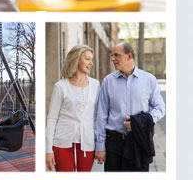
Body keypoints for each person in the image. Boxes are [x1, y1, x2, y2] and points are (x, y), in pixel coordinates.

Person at [94, 41, 165, 171]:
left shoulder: (149, 80)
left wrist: (140, 123)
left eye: (117, 55)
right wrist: (100, 146)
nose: (112, 59)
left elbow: (160, 108)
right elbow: (101, 114)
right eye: (112, 55)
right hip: (113, 143)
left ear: (129, 56)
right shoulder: (108, 81)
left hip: (138, 141)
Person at [46, 44, 100, 172]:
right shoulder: (61, 86)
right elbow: (52, 118)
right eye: (87, 59)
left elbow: (98, 117)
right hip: (62, 141)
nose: (91, 63)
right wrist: (48, 150)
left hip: (87, 141)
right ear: (76, 59)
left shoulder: (96, 85)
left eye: (92, 59)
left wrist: (100, 145)